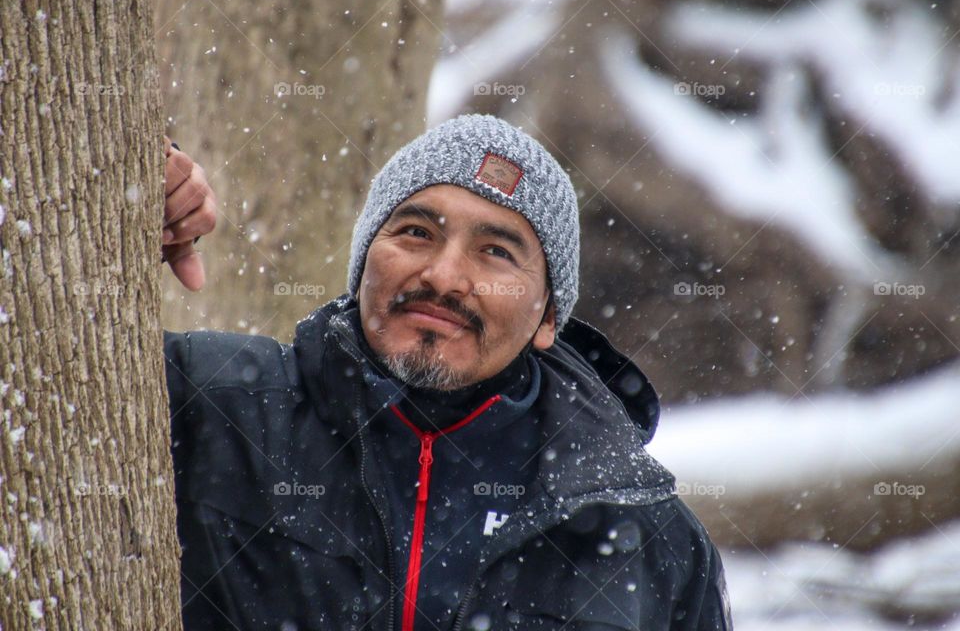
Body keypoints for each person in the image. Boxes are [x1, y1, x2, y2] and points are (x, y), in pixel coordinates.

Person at [161, 115, 733, 631]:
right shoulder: (211, 405)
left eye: (496, 252)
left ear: (549, 318)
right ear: (362, 264)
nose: (444, 275)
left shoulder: (647, 535)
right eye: (417, 233)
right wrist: (149, 187)